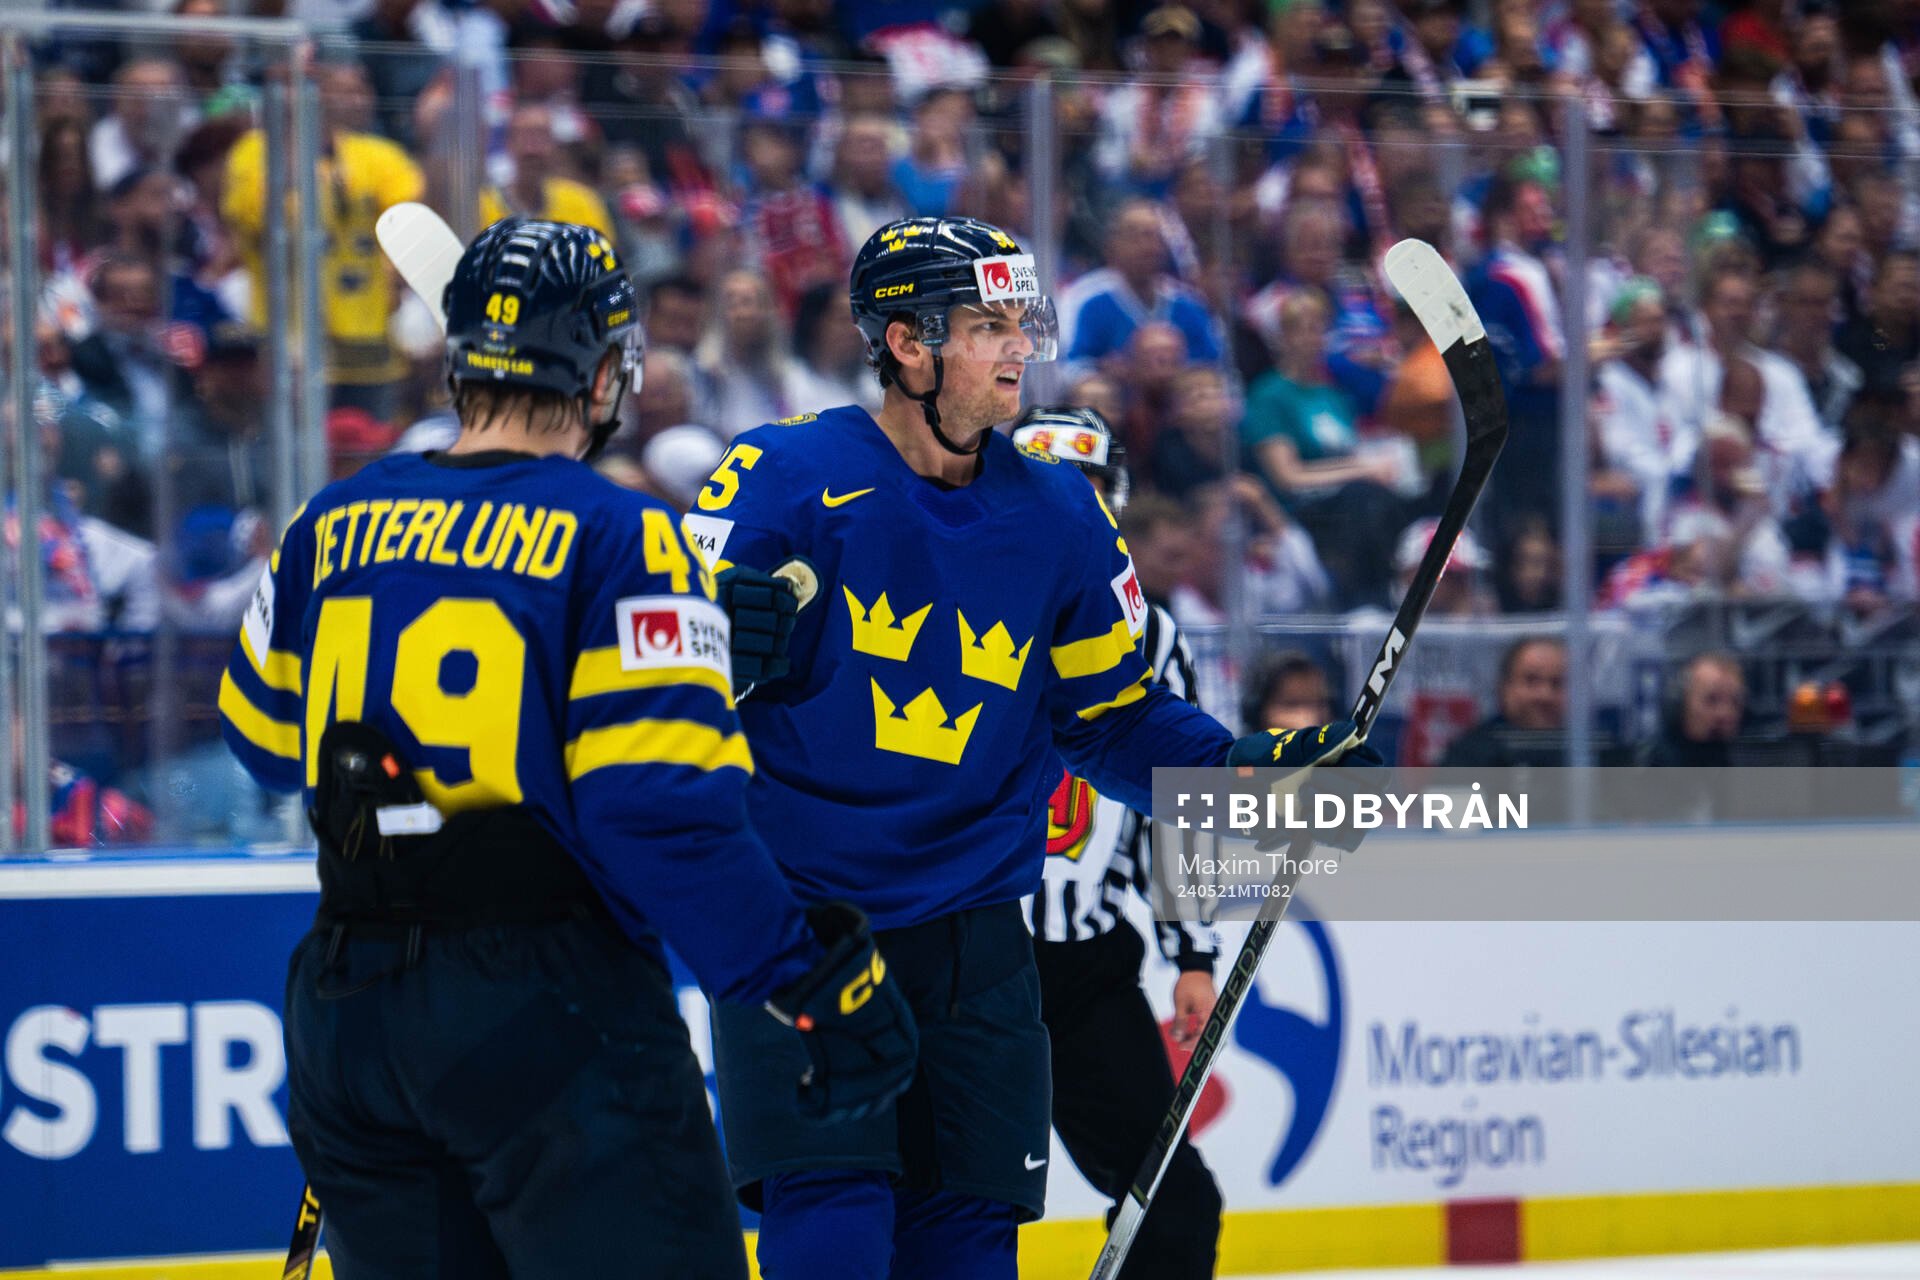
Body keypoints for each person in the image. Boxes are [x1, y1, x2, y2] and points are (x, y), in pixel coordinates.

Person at [215, 218, 914, 1278]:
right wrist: (804, 975)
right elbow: (659, 816)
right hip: (545, 1006)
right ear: (602, 376)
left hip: (347, 1002)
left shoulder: (330, 519)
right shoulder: (622, 535)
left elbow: (263, 742)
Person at [690, 215, 1379, 1280]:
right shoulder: (780, 474)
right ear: (908, 343)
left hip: (979, 952)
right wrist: (713, 648)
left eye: (1023, 322)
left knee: (967, 1249)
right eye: (985, 325)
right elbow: (664, 680)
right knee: (831, 1233)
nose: (1019, 348)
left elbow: (1109, 716)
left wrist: (1241, 770)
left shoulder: (1060, 511)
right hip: (806, 936)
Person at [1010, 405, 1224, 1280]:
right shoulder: (952, 603)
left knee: (1174, 1203)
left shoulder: (1159, 639)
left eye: (1088, 487)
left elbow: (1176, 805)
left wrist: (1192, 951)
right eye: (1049, 482)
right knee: (949, 1200)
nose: (1071, 503)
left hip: (1085, 967)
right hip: (963, 950)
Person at [1440, 636, 1569, 766]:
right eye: (1531, 680)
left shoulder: (1584, 750)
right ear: (1505, 687)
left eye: (1557, 683)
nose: (1544, 694)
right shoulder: (1469, 754)